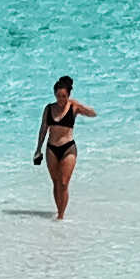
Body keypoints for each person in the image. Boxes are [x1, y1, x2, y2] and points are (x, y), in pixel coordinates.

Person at [32, 75, 95, 220]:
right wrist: (38, 149)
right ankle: (58, 211)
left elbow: (93, 114)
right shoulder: (49, 108)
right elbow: (43, 129)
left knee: (64, 182)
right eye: (58, 96)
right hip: (51, 148)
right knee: (55, 182)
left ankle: (61, 216)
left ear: (69, 95)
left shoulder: (73, 107)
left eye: (64, 96)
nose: (61, 99)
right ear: (54, 94)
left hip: (68, 148)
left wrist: (79, 105)